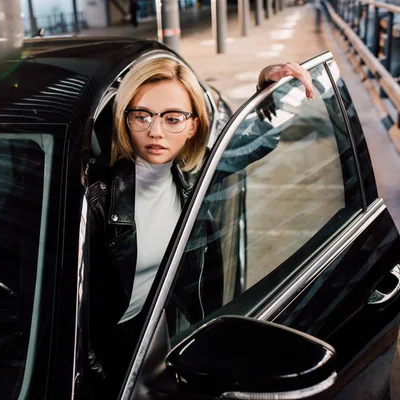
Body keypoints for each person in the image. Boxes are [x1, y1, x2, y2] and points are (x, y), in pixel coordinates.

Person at [86, 59, 314, 394]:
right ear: (125, 120)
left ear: (193, 125)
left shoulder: (194, 175)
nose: (156, 131)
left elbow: (259, 139)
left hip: (163, 331)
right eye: (142, 116)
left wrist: (269, 91)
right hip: (99, 354)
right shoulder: (94, 197)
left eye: (173, 118)